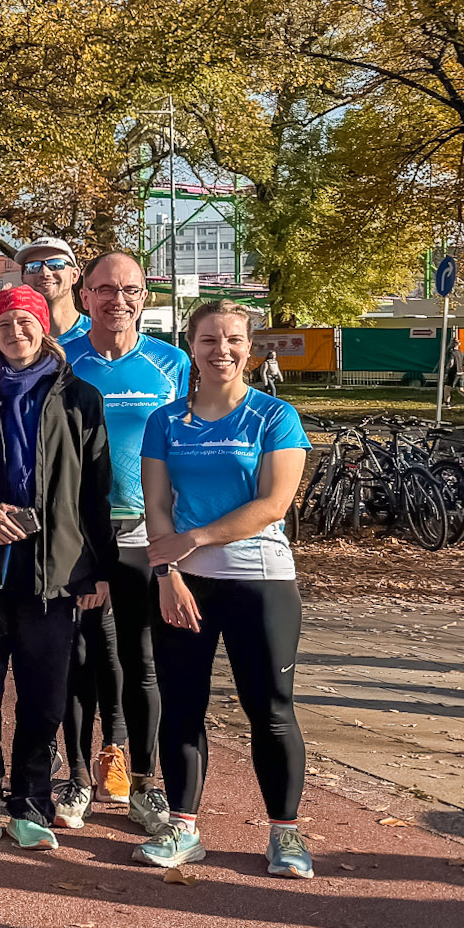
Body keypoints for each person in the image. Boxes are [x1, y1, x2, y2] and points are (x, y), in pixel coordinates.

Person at [0, 284, 113, 852]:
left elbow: (96, 490)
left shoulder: (81, 397)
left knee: (43, 693)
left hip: (53, 572)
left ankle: (30, 803)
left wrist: (96, 568)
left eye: (25, 323)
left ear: (44, 329)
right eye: (4, 324)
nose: (15, 333)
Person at [142, 299, 314, 878]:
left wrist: (195, 539)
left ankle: (285, 835)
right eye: (210, 339)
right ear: (191, 346)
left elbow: (273, 504)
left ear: (250, 347)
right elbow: (156, 504)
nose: (222, 350)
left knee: (270, 711)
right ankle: (184, 828)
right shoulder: (165, 421)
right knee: (182, 709)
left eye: (234, 340)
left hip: (261, 581)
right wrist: (168, 575)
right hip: (185, 586)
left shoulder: (274, 415)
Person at [60, 255, 188, 834]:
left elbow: (190, 443)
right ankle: (78, 778)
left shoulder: (172, 363)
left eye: (130, 290)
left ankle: (145, 782)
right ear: (84, 294)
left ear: (145, 297)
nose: (118, 299)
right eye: (105, 289)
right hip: (81, 531)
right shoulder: (62, 356)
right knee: (79, 656)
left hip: (146, 530)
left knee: (141, 658)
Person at [16, 237, 88, 342]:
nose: (44, 273)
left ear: (74, 275)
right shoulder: (11, 344)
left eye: (56, 264)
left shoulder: (99, 336)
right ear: (22, 277)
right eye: (33, 266)